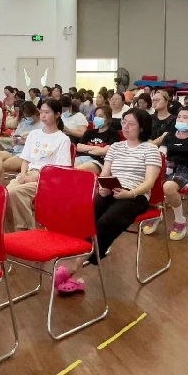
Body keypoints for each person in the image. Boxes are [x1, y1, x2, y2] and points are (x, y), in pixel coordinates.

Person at [55, 108, 162, 294]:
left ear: (142, 127)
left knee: (106, 222)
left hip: (135, 196)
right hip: (112, 191)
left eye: (131, 124)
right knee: (86, 217)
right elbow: (105, 174)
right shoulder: (116, 147)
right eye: (124, 122)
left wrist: (131, 193)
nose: (125, 127)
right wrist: (102, 187)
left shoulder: (150, 149)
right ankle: (78, 264)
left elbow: (149, 182)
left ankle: (75, 266)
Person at [6, 99, 72, 232]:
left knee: (16, 192)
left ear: (57, 114)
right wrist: (23, 175)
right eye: (41, 112)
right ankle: (10, 231)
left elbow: (59, 169)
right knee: (6, 194)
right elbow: (25, 160)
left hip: (47, 178)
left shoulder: (63, 139)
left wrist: (35, 177)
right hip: (28, 173)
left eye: (47, 112)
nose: (43, 115)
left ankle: (27, 230)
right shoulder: (34, 134)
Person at [142, 106, 188, 241]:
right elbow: (161, 155)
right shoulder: (169, 136)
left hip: (186, 170)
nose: (181, 119)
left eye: (185, 117)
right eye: (179, 117)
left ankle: (181, 220)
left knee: (168, 187)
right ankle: (156, 212)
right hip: (168, 168)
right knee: (147, 182)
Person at [0, 101, 42, 182]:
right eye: (24, 117)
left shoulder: (42, 126)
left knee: (2, 165)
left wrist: (26, 141)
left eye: (28, 116)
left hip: (25, 155)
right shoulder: (22, 123)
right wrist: (15, 140)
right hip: (15, 150)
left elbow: (41, 145)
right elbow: (14, 139)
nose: (26, 119)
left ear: (34, 113)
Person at [75, 105, 119, 173]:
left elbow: (105, 151)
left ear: (108, 119)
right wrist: (96, 148)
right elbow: (78, 147)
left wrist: (86, 149)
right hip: (83, 158)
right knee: (70, 167)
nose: (97, 118)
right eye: (95, 115)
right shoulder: (89, 132)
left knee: (77, 171)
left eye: (100, 116)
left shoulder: (113, 134)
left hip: (99, 162)